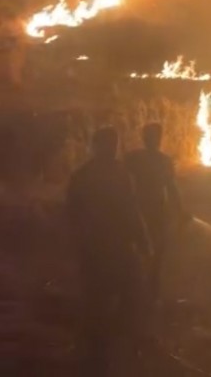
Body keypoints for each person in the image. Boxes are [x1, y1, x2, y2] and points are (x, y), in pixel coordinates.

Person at [66, 126, 150, 376]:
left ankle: (96, 352)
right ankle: (113, 352)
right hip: (114, 246)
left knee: (97, 298)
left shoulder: (82, 175)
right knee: (127, 296)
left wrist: (77, 243)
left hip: (95, 247)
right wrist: (144, 241)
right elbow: (132, 211)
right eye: (111, 145)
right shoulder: (120, 174)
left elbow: (71, 213)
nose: (113, 149)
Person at [125, 122, 188, 302]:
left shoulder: (133, 158)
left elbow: (171, 186)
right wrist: (180, 210)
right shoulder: (163, 161)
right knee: (156, 250)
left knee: (139, 249)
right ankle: (150, 288)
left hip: (139, 208)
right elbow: (171, 187)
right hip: (155, 209)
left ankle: (140, 288)